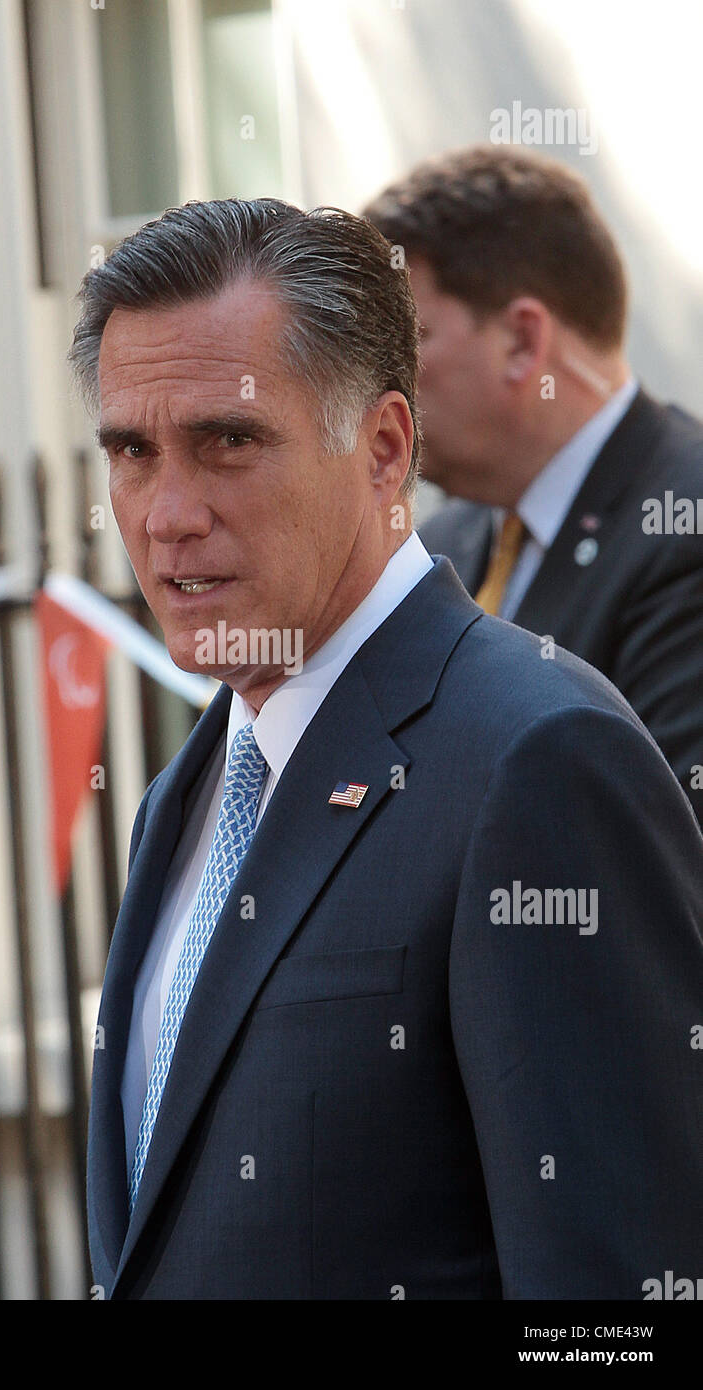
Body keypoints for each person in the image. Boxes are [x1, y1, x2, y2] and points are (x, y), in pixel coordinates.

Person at [69, 197, 703, 1300]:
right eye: (131, 450)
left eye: (228, 441)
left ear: (383, 448)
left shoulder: (539, 758)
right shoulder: (189, 789)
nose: (166, 512)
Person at [365, 146, 703, 825]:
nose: (376, 382)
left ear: (522, 341)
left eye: (405, 341)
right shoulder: (437, 543)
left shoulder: (683, 526)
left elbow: (656, 850)